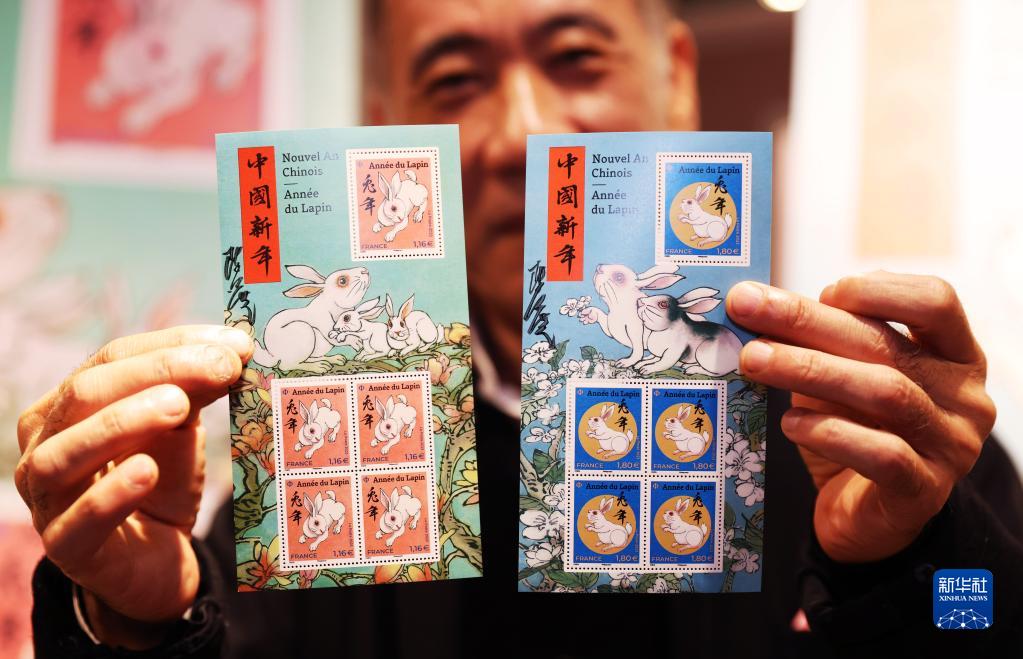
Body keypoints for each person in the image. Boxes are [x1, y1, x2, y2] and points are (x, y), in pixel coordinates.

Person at [17, 1, 1022, 656]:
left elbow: (980, 618)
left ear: (676, 75)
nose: (522, 131)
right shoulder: (325, 452)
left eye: (576, 57)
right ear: (389, 126)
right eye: (455, 80)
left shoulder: (864, 427)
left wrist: (923, 557)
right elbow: (222, 635)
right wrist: (136, 621)